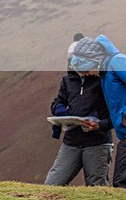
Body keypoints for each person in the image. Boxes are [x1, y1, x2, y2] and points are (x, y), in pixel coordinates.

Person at [45, 34, 112, 186]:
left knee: (96, 188)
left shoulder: (105, 81)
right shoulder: (68, 81)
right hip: (71, 141)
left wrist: (100, 125)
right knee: (52, 184)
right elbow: (57, 103)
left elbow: (116, 114)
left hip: (97, 143)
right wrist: (65, 114)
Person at [70, 35, 126, 188]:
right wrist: (101, 125)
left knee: (121, 182)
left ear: (92, 59)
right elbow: (116, 108)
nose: (86, 73)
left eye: (85, 68)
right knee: (121, 182)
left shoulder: (116, 62)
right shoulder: (105, 73)